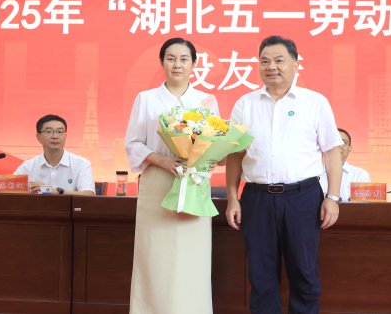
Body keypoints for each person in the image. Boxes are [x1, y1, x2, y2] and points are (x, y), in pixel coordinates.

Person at [225, 35, 343, 314]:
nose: (272, 67)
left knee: (305, 275)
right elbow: (235, 155)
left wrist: (333, 197)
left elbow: (332, 151)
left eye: (279, 60)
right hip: (257, 199)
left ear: (295, 64)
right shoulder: (245, 104)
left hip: (303, 198)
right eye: (264, 61)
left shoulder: (314, 102)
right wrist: (232, 198)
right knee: (261, 277)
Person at [125, 37, 219, 314]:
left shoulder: (205, 100)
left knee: (192, 256)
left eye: (184, 59)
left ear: (194, 64)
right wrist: (162, 160)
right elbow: (133, 143)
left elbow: (214, 143)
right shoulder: (146, 99)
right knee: (155, 256)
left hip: (193, 182)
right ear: (162, 62)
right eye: (171, 58)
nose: (177, 64)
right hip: (157, 182)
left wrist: (203, 158)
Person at [14, 114, 95, 195]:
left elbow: (88, 194)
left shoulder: (81, 164)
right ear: (39, 137)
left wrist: (52, 191)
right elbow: (10, 189)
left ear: (65, 136)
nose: (55, 136)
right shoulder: (28, 166)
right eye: (49, 132)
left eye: (60, 132)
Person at [319, 128, 370, 202]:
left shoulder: (360, 175)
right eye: (334, 142)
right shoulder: (315, 173)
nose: (339, 146)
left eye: (343, 142)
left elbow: (362, 205)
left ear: (350, 148)